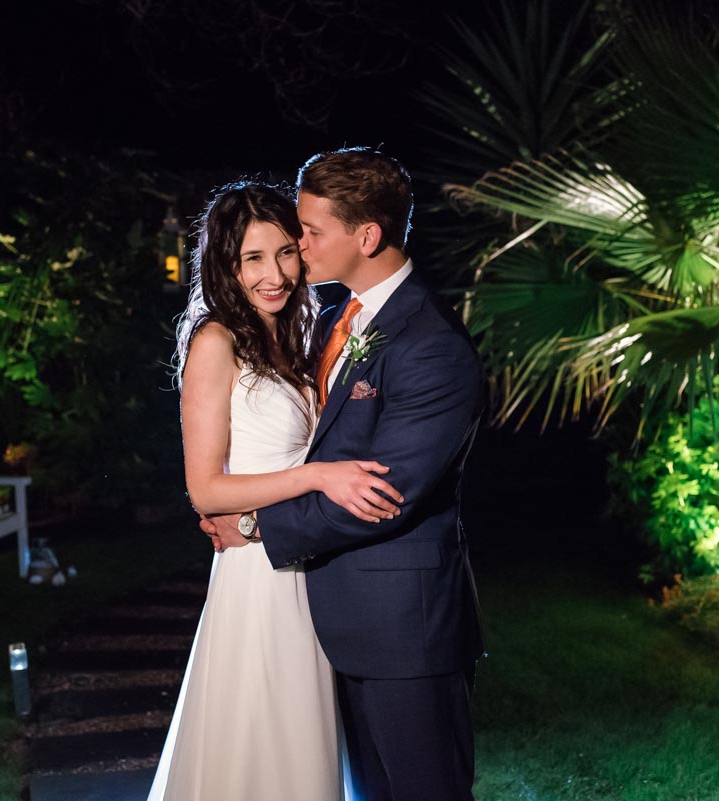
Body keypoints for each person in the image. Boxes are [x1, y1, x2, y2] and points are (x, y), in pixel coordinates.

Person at [202, 147, 486, 801]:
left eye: (310, 231)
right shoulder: (339, 318)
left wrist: (252, 522)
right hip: (338, 621)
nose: (297, 245)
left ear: (368, 235)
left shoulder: (431, 345)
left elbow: (384, 495)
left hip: (405, 630)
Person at [147, 181, 403, 801]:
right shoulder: (217, 342)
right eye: (253, 259)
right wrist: (315, 477)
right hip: (257, 580)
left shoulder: (294, 338)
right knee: (258, 746)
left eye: (286, 252)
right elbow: (205, 488)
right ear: (226, 267)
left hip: (309, 565)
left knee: (303, 747)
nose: (276, 274)